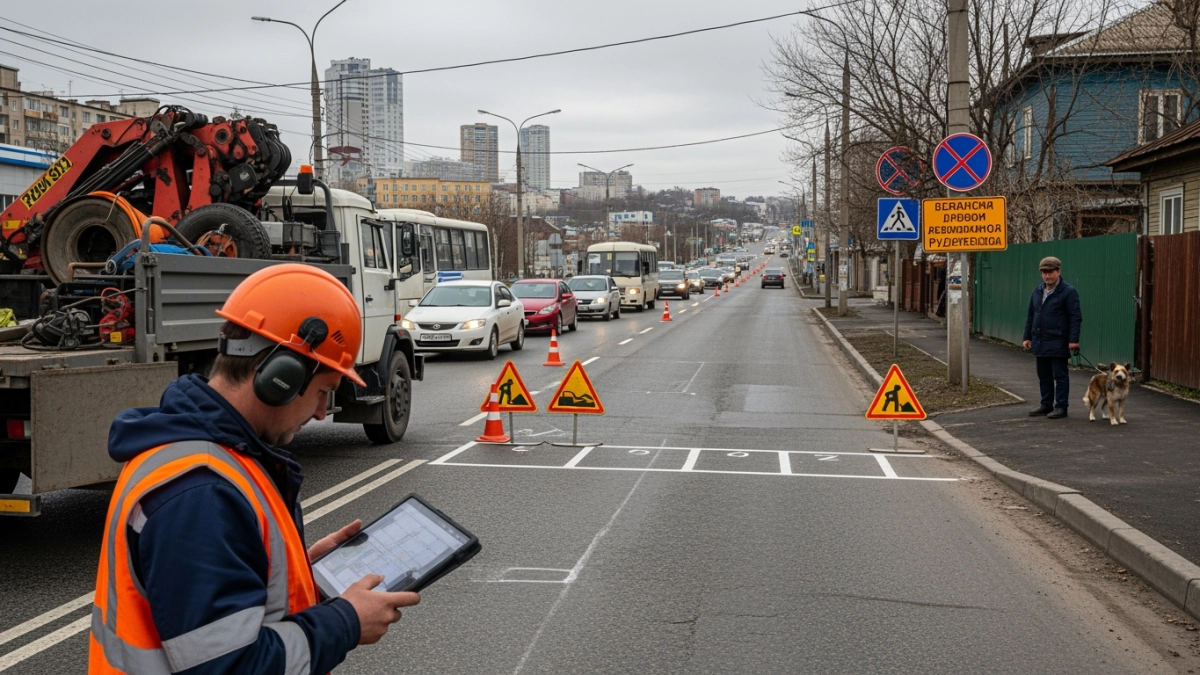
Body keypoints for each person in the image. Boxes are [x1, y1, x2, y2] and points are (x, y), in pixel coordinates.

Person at [89, 264, 419, 674]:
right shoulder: (201, 492)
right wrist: (346, 621)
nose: (320, 413)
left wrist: (302, 578)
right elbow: (230, 665)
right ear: (282, 377)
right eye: (323, 392)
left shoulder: (212, 456)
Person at [1022, 256, 1082, 419]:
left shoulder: (1068, 291)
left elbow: (1075, 317)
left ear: (1058, 271)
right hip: (1040, 340)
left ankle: (1061, 406)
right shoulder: (1038, 290)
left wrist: (1073, 340)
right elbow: (1031, 314)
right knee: (1043, 374)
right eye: (1044, 273)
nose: (1047, 276)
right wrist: (1028, 336)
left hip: (1058, 340)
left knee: (1060, 375)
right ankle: (1046, 404)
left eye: (1050, 272)